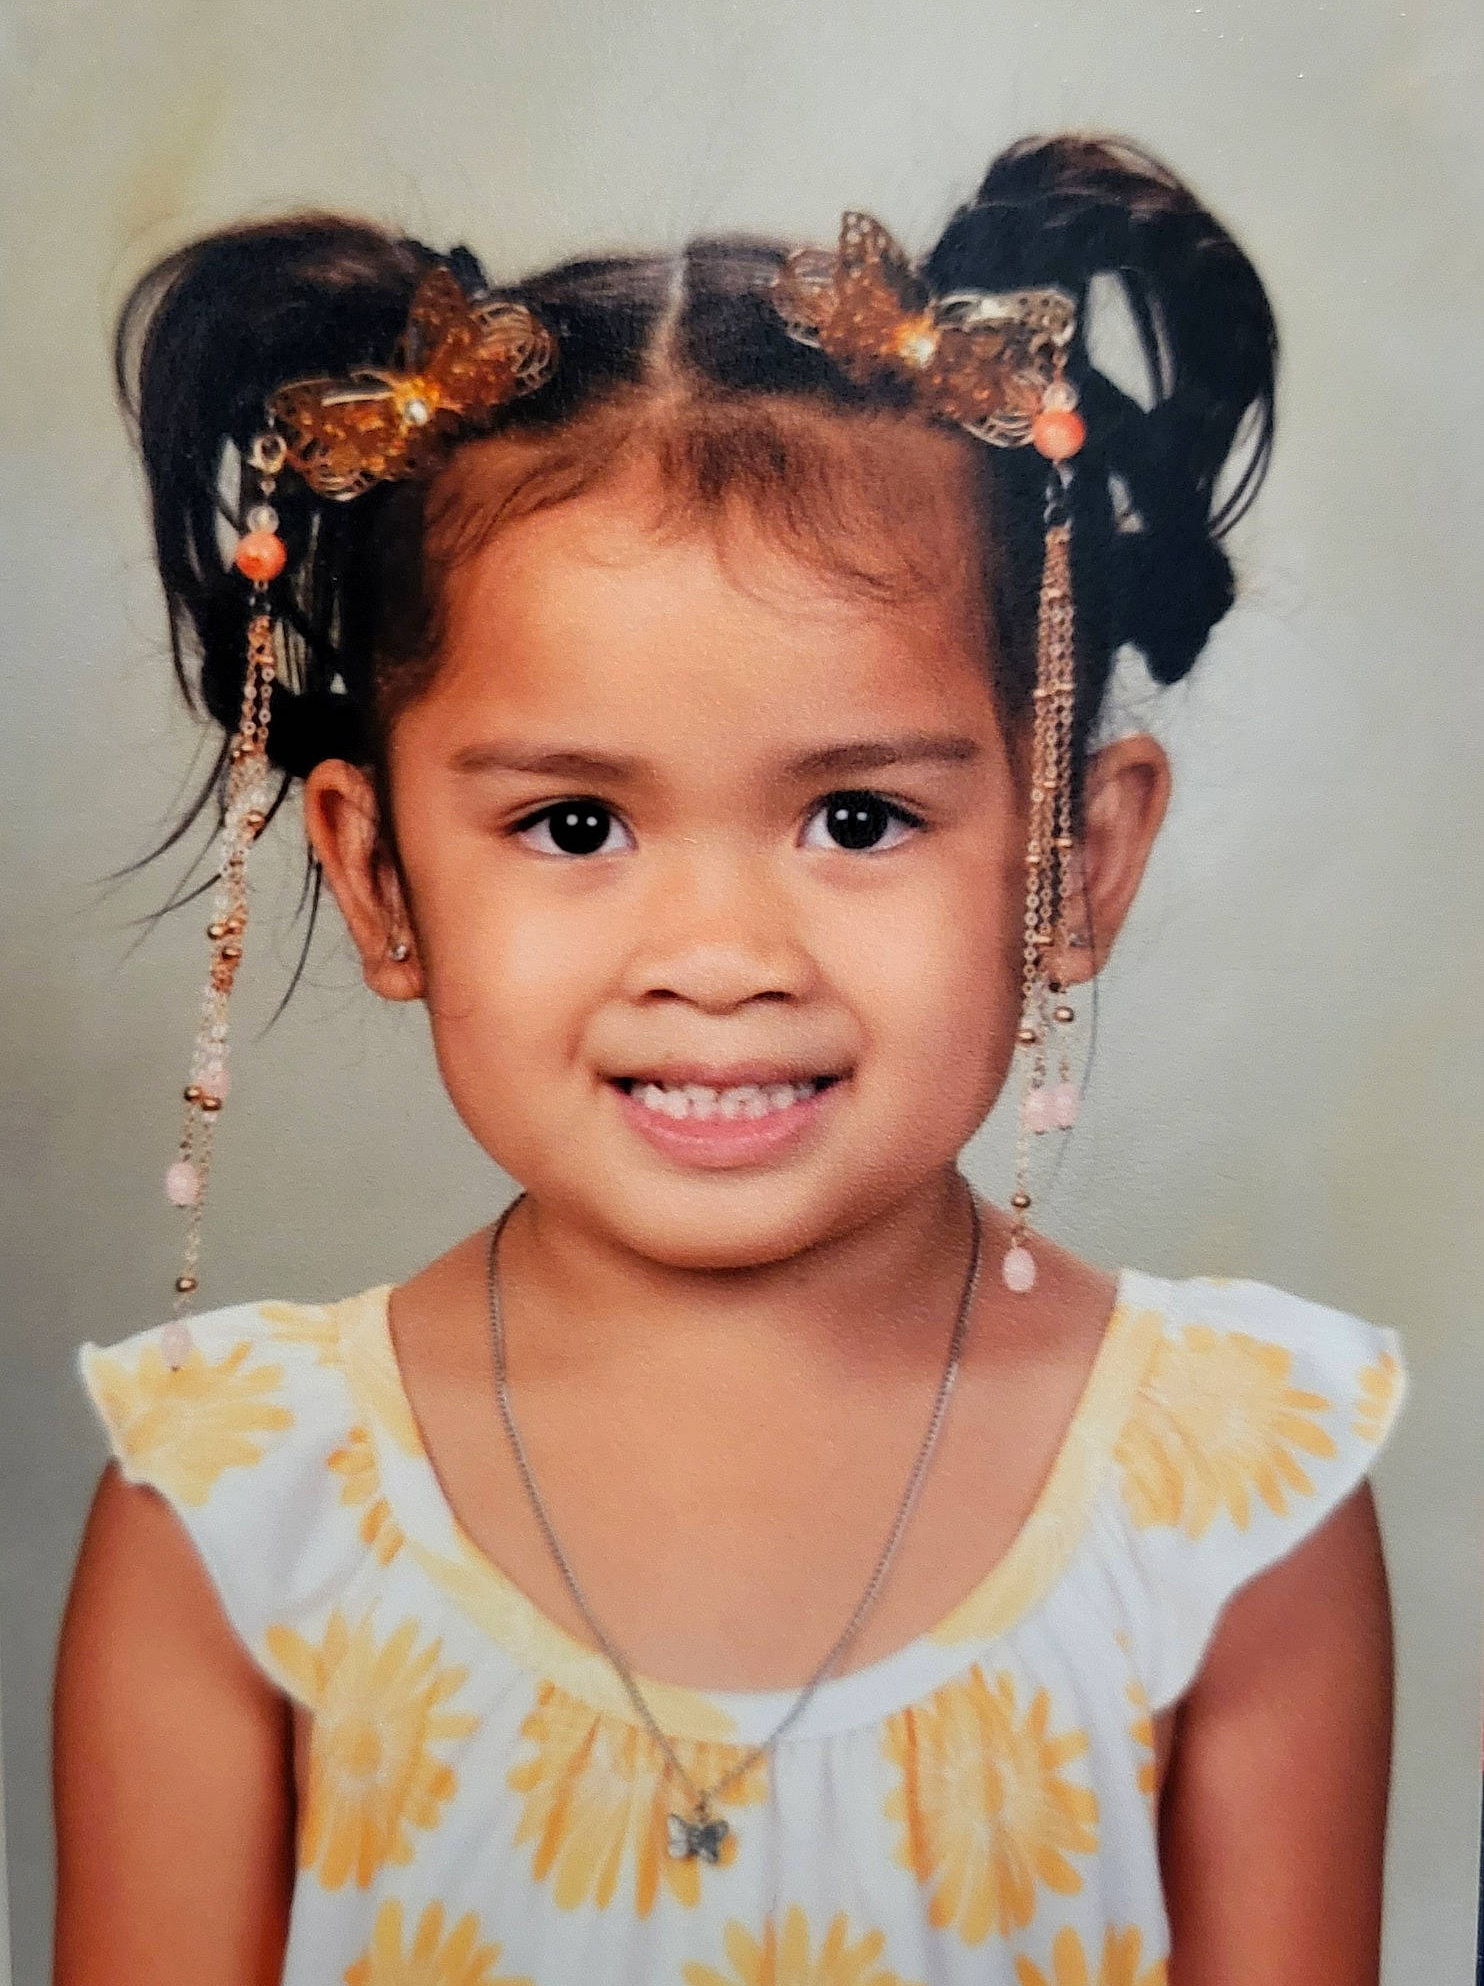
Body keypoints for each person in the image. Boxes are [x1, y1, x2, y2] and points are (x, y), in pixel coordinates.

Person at [53, 133, 1409, 1986]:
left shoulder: (1236, 1493)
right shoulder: (230, 1504)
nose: (718, 963)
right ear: (379, 880)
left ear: (1074, 863)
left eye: (856, 820)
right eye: (576, 827)